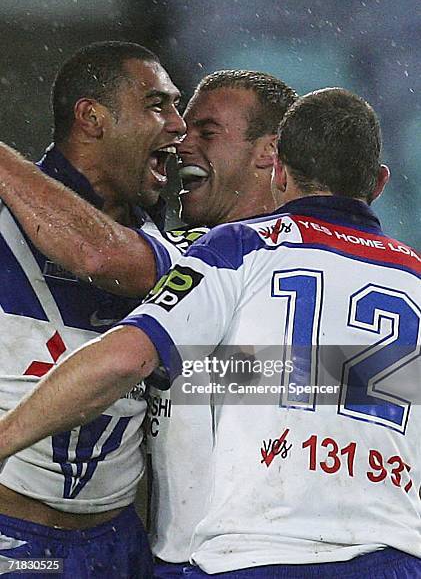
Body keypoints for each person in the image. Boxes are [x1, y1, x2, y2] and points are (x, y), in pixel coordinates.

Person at [0, 87, 419, 578]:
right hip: (391, 558)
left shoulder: (233, 252)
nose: (181, 140)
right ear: (381, 182)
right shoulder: (410, 277)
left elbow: (105, 272)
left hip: (240, 556)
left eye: (207, 131)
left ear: (275, 162)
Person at [0, 68, 298, 572]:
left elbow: (100, 256)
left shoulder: (261, 257)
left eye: (206, 133)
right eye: (168, 113)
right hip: (163, 555)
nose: (182, 140)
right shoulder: (192, 250)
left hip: (278, 554)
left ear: (269, 151)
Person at [0, 40, 186, 578]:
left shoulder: (165, 246)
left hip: (119, 545)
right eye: (157, 105)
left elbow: (96, 252)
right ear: (92, 118)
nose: (177, 125)